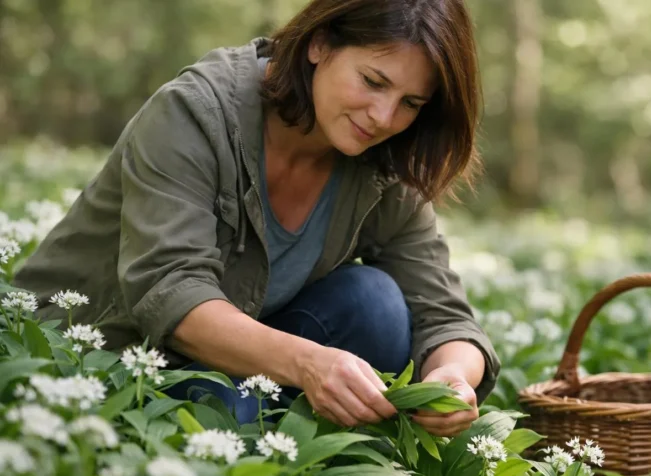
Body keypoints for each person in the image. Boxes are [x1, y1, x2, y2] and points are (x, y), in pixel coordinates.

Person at [12, 0, 500, 437]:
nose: (383, 117)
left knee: (376, 304)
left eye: (410, 104)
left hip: (236, 370)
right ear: (319, 44)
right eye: (373, 81)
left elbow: (444, 314)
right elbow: (170, 293)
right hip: (103, 361)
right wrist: (309, 364)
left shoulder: (386, 160)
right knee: (218, 414)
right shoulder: (195, 112)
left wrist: (452, 377)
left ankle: (267, 437)